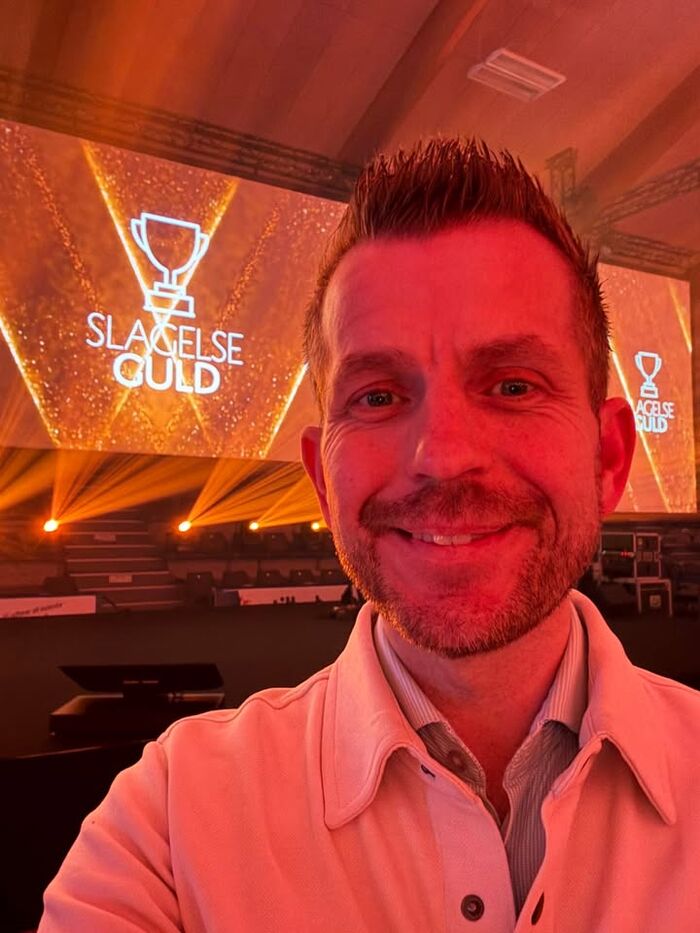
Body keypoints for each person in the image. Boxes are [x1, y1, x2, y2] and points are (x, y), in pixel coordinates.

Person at [39, 139, 700, 932]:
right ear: (323, 480)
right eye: (379, 397)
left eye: (512, 384)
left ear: (608, 457)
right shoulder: (172, 821)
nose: (442, 456)